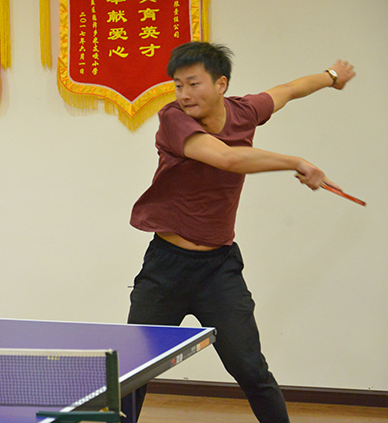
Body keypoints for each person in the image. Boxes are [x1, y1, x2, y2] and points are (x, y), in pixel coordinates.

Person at [127, 41, 355, 423]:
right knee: (132, 373)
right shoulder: (174, 120)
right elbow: (227, 157)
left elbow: (289, 90)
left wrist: (332, 77)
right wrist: (295, 161)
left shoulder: (245, 111)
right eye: (178, 85)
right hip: (165, 268)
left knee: (252, 371)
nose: (184, 94)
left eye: (193, 84)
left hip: (219, 271)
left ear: (221, 84)